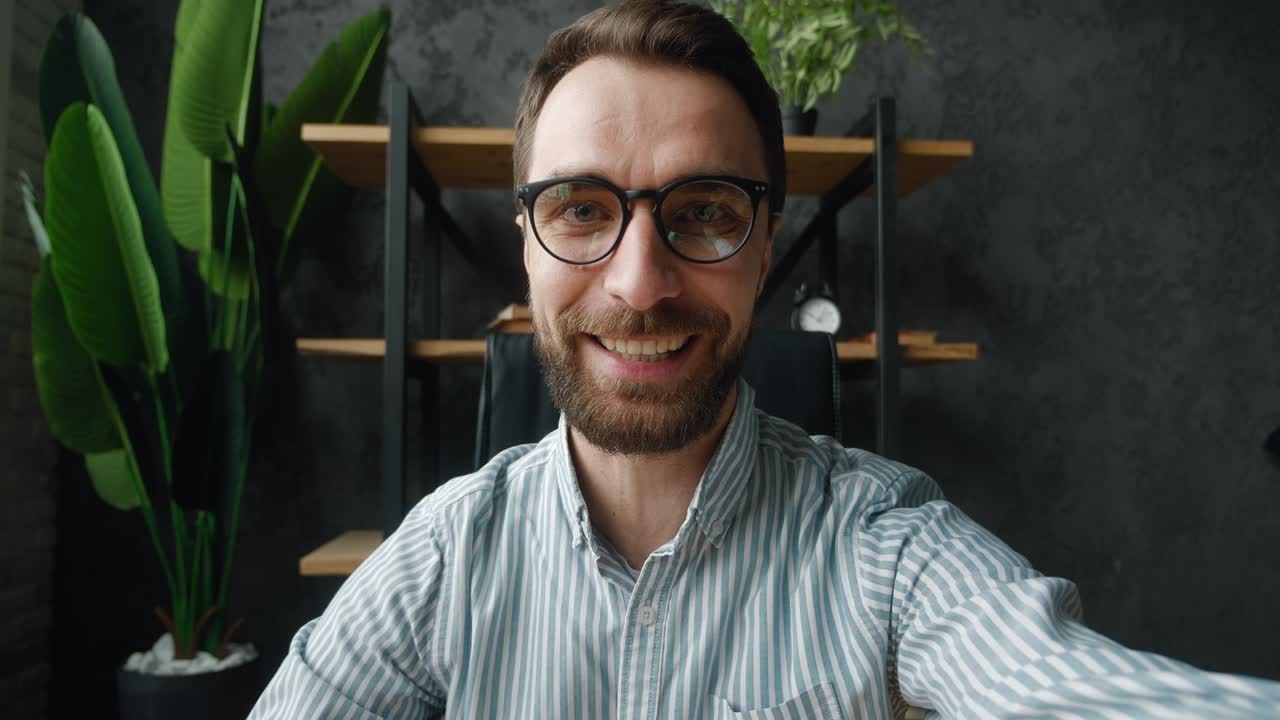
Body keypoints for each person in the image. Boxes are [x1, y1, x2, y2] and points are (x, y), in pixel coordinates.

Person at [250, 1, 1280, 717]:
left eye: (703, 211)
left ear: (764, 249)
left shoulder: (887, 546)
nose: (639, 284)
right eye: (580, 210)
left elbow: (1058, 685)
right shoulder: (441, 556)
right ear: (527, 244)